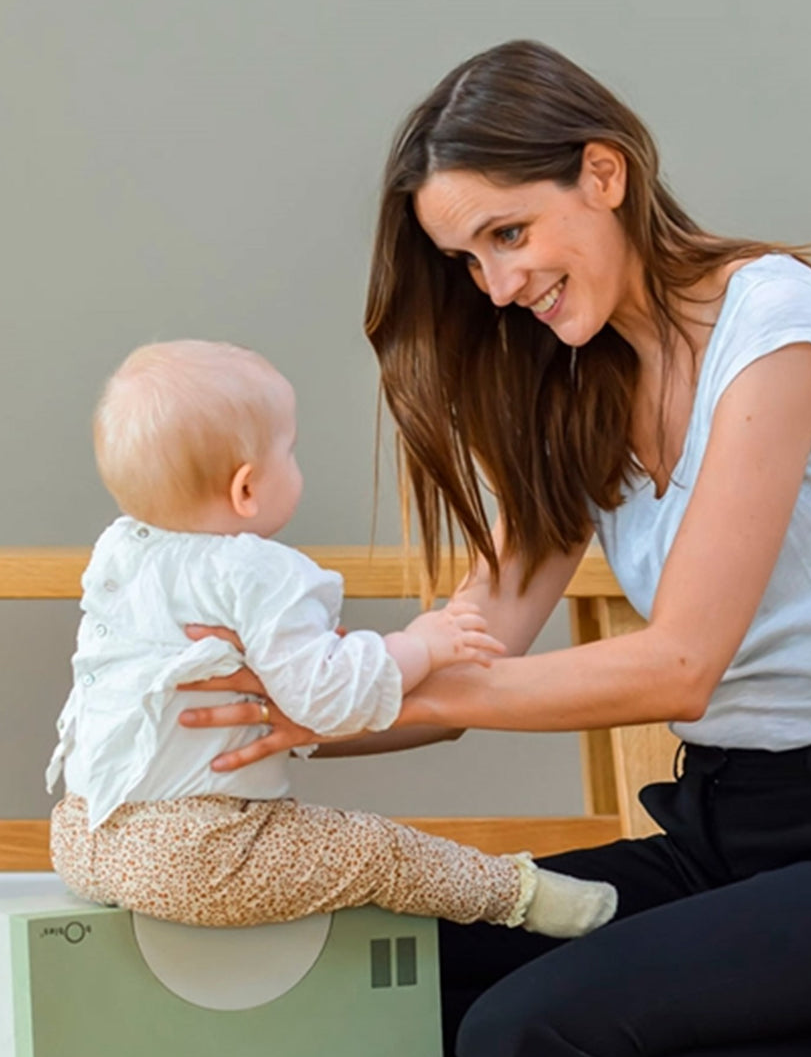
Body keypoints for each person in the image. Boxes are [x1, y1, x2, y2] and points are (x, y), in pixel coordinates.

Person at [178, 41, 811, 1057]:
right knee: (360, 984)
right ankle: (798, 995)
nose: (497, 286)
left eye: (507, 233)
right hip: (718, 837)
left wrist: (379, 693)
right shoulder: (579, 387)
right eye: (466, 259)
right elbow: (469, 649)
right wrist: (269, 713)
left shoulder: (774, 326)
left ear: (603, 174)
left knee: (525, 1048)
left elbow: (679, 663)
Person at [46, 338, 618, 938]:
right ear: (246, 490)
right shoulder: (259, 571)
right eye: (289, 451)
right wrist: (420, 644)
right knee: (377, 852)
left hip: (84, 834)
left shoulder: (122, 552)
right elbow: (325, 699)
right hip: (197, 847)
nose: (297, 463)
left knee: (306, 854)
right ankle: (523, 899)